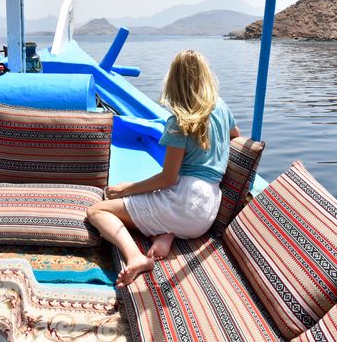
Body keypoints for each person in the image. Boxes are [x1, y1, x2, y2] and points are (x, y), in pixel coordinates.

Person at [86, 50, 240, 287]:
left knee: (98, 211)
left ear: (174, 81)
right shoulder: (221, 107)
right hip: (207, 211)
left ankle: (135, 257)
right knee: (153, 199)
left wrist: (127, 189)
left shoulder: (180, 122)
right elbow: (235, 137)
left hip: (186, 202)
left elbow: (167, 178)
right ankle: (166, 234)